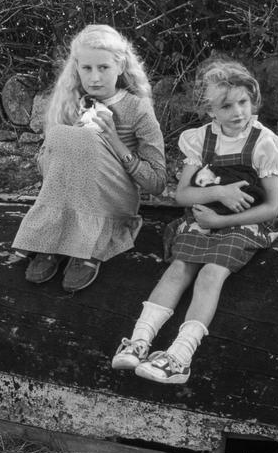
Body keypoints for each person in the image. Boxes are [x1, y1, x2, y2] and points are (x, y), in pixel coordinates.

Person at [113, 56, 278, 384]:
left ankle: (179, 356)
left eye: (243, 102)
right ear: (209, 110)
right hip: (207, 214)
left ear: (252, 100)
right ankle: (139, 341)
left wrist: (221, 222)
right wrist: (219, 194)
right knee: (179, 267)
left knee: (210, 274)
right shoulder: (201, 139)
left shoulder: (264, 143)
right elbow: (183, 196)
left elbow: (272, 209)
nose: (238, 112)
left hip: (247, 221)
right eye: (226, 106)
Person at [11, 25, 167, 292]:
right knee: (64, 135)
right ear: (77, 69)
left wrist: (114, 142)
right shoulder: (72, 103)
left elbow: (157, 182)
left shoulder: (136, 108)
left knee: (80, 139)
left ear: (120, 66)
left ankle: (88, 246)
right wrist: (69, 145)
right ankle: (55, 237)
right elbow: (44, 166)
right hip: (69, 194)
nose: (95, 78)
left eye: (104, 67)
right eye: (87, 68)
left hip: (113, 199)